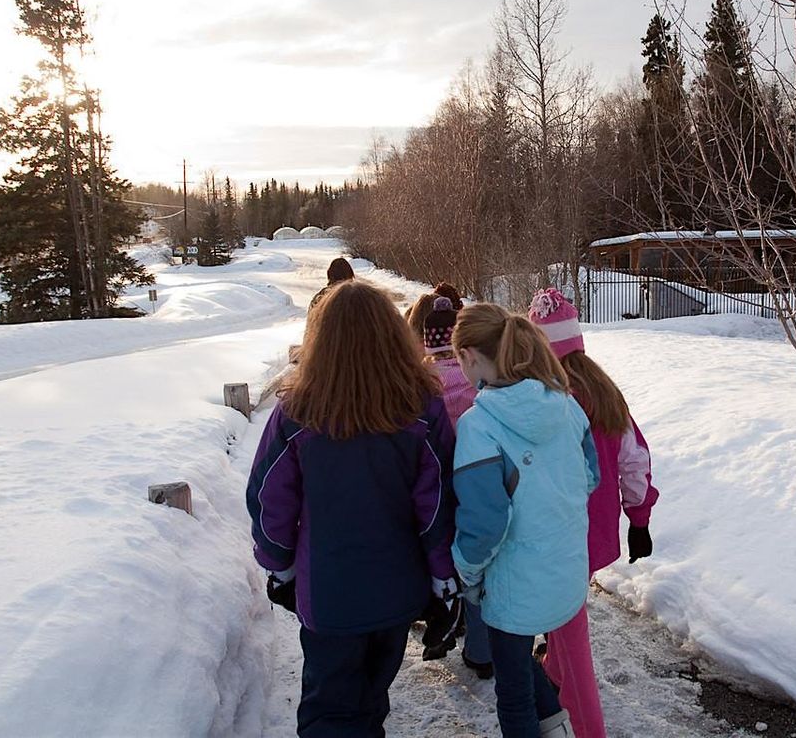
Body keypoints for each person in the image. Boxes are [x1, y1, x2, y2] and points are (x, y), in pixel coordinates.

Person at [245, 280, 458, 737]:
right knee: (370, 699)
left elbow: (268, 498)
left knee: (330, 710)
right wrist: (443, 575)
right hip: (398, 588)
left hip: (328, 592)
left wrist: (278, 566)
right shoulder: (422, 408)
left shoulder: (298, 412)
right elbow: (438, 502)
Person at [450, 303, 598, 738]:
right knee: (522, 666)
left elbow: (483, 526)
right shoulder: (567, 406)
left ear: (470, 356)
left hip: (511, 588)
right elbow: (589, 476)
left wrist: (468, 576)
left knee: (512, 692)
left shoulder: (479, 427)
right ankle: (559, 730)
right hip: (563, 575)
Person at [528, 289, 659, 738]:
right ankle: (554, 672)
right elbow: (634, 459)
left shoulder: (542, 400)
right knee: (565, 620)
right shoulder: (604, 392)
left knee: (570, 629)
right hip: (592, 533)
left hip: (555, 538)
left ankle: (586, 725)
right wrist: (637, 516)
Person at [421, 295, 494, 678]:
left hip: (434, 484)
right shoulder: (476, 380)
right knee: (476, 566)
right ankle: (481, 650)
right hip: (475, 477)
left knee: (442, 559)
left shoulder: (423, 381)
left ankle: (446, 622)